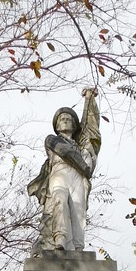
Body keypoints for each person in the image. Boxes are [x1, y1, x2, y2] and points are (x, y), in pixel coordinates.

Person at [28, 87, 101, 254]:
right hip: (59, 173)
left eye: (69, 119)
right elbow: (65, 152)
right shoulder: (51, 140)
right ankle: (59, 237)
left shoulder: (81, 146)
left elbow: (91, 128)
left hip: (77, 177)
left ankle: (78, 247)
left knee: (78, 209)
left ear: (75, 126)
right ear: (57, 125)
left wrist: (89, 100)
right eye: (62, 119)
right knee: (59, 200)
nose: (66, 121)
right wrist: (84, 166)